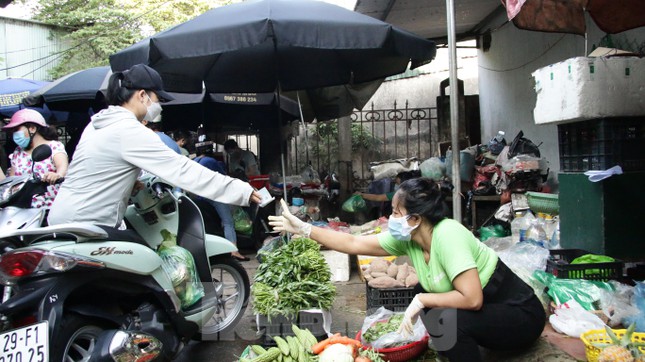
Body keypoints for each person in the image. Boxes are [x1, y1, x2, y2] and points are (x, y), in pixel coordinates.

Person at [269, 177, 545, 362]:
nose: (391, 219)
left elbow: (473, 299)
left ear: (417, 217)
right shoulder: (409, 238)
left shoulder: (448, 234)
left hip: (519, 316)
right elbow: (353, 242)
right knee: (424, 297)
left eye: (396, 213)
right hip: (488, 313)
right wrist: (306, 229)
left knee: (443, 314)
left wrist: (423, 299)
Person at [48, 63, 261, 229]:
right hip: (88, 223)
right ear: (142, 95)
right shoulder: (128, 130)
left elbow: (95, 171)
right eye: (157, 98)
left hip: (63, 216)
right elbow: (183, 170)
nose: (159, 106)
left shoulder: (98, 124)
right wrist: (240, 190)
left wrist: (128, 183)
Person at [193, 138, 249, 261]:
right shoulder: (210, 161)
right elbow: (224, 177)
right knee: (228, 222)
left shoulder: (195, 160)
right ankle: (233, 250)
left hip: (200, 197)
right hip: (214, 196)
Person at [3, 108, 69, 208]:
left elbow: (63, 167)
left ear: (32, 128)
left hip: (49, 208)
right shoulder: (18, 152)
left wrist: (56, 175)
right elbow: (12, 180)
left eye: (17, 130)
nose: (14, 135)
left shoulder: (54, 147)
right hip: (22, 208)